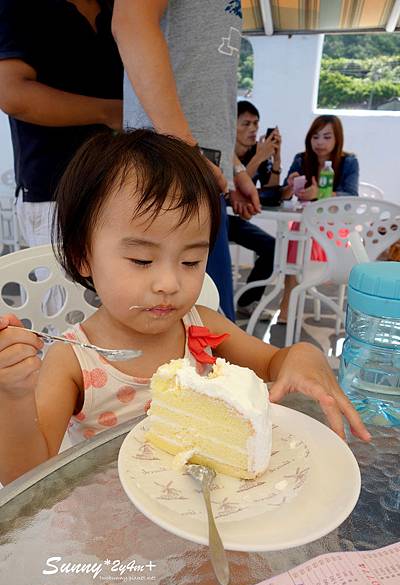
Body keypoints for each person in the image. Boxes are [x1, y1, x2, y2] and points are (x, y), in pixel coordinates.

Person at [0, 129, 370, 485]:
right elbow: (27, 476)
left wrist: (303, 354)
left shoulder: (200, 325)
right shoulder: (73, 360)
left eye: (191, 262)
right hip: (109, 526)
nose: (169, 284)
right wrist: (14, 396)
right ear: (83, 257)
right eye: (142, 260)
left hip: (200, 505)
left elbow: (275, 362)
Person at [112, 0, 261, 322]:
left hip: (198, 165)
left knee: (207, 326)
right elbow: (130, 21)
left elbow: (208, 96)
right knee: (191, 328)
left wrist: (234, 170)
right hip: (170, 167)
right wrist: (185, 149)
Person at [0, 0, 123, 253]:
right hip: (55, 194)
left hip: (121, 187)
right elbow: (11, 94)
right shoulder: (19, 6)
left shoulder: (115, 8)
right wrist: (109, 112)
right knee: (68, 292)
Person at [279, 115, 359, 322]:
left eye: (326, 137)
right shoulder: (301, 159)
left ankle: (297, 292)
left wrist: (321, 194)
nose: (320, 143)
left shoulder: (349, 161)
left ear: (337, 139)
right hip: (305, 222)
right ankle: (288, 299)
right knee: (296, 232)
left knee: (297, 235)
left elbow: (351, 197)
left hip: (335, 225)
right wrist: (289, 186)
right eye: (315, 137)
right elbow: (284, 196)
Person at [232, 101, 280, 317]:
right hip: (216, 217)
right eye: (246, 124)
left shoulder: (256, 152)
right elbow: (233, 183)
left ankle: (246, 301)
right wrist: (260, 156)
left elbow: (271, 190)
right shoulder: (223, 151)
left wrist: (276, 157)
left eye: (256, 124)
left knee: (273, 247)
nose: (253, 129)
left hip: (236, 220)